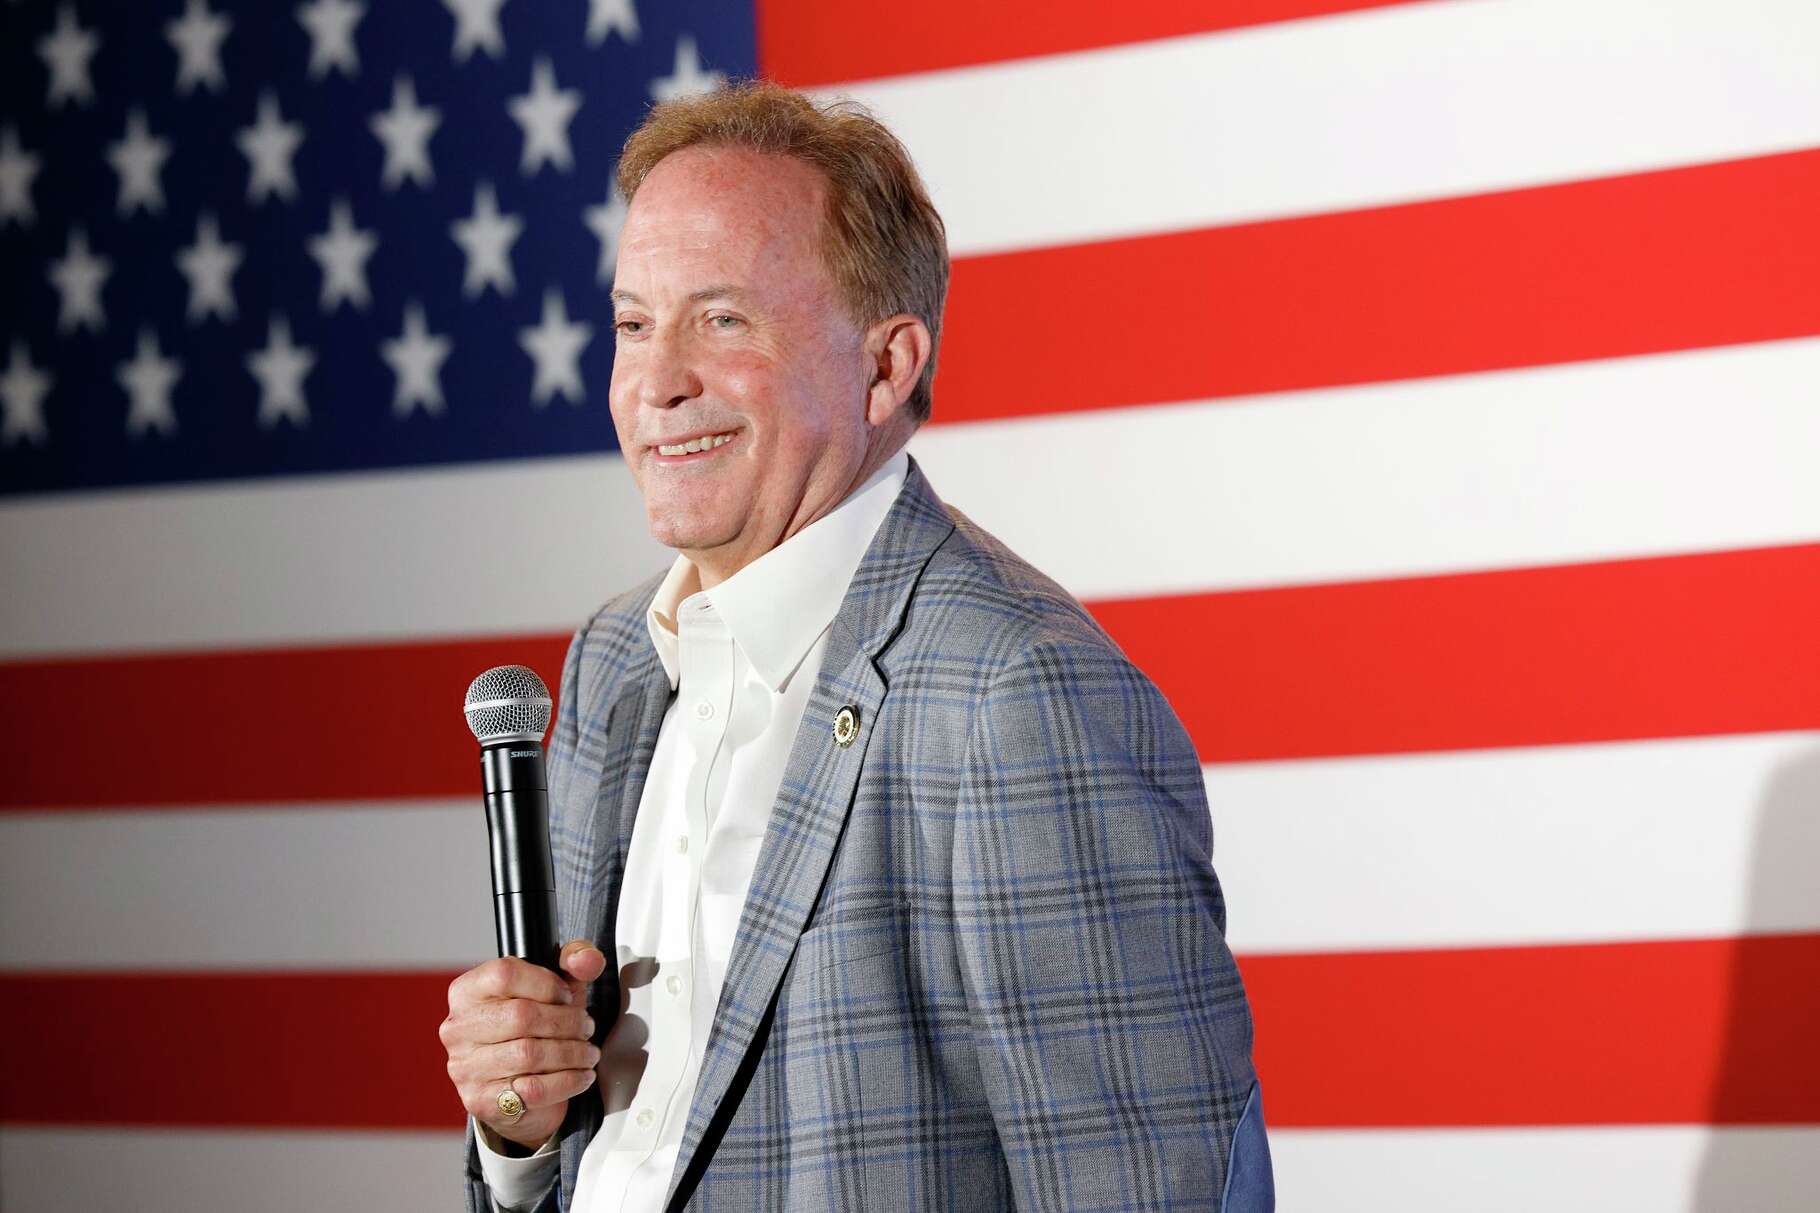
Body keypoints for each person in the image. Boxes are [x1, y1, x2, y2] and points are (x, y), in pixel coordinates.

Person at [438, 81, 1273, 1212]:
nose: (656, 382)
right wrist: (519, 1128)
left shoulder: (1014, 692)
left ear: (885, 367)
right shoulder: (613, 662)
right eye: (634, 323)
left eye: (722, 320)